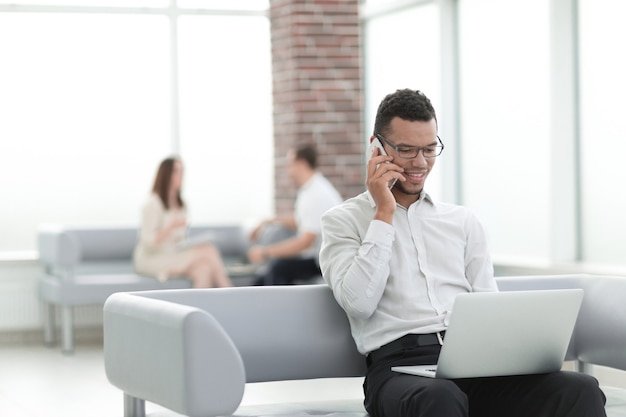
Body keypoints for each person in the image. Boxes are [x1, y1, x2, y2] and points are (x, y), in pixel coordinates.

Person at [319, 89, 606, 417]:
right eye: (407, 150)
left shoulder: (462, 221)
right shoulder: (341, 221)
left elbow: (489, 307)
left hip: (474, 364)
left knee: (579, 389)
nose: (420, 162)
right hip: (398, 370)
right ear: (377, 147)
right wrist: (383, 212)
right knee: (440, 398)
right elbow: (359, 302)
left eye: (429, 149)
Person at [247, 144, 343, 285]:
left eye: (291, 164)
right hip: (318, 257)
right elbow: (301, 221)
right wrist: (267, 221)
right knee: (260, 281)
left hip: (325, 262)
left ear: (302, 164)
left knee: (278, 268)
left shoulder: (317, 194)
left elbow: (305, 242)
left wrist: (265, 252)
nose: (289, 170)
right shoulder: (311, 188)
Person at [133, 157, 232, 288]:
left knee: (204, 269)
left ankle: (197, 308)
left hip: (173, 253)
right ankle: (230, 291)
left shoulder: (181, 204)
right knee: (208, 250)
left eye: (182, 171)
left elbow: (179, 240)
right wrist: (170, 227)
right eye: (176, 171)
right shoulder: (153, 203)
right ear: (166, 175)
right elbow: (148, 242)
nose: (180, 176)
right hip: (152, 258)